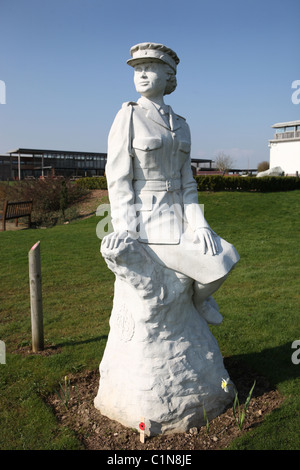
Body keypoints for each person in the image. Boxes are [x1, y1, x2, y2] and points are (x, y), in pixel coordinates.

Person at [102, 42, 239, 325]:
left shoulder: (181, 124)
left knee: (227, 255)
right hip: (148, 221)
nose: (141, 74)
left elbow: (188, 183)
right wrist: (126, 229)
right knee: (215, 265)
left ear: (169, 77)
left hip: (180, 216)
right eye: (138, 69)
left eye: (150, 68)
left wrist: (199, 223)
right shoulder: (128, 116)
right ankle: (198, 301)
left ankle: (197, 300)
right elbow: (118, 179)